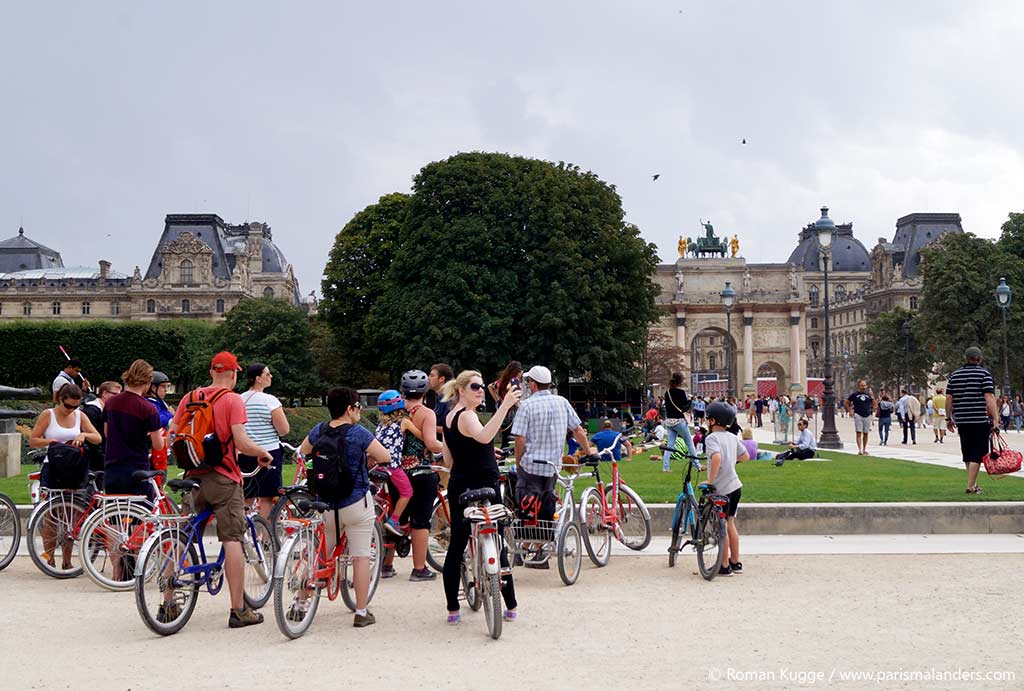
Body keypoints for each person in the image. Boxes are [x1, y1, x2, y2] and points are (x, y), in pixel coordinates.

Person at [170, 351, 274, 628]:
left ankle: (168, 599)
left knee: (184, 537)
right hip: (223, 476)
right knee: (233, 538)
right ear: (234, 373)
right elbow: (240, 441)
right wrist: (262, 453)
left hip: (192, 475)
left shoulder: (189, 398)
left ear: (211, 371)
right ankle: (238, 609)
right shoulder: (232, 400)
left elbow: (173, 432)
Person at [297, 386, 389, 627]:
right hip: (355, 501)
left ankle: (300, 602)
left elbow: (303, 451)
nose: (358, 411)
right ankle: (361, 611)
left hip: (326, 503)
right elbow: (385, 456)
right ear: (349, 409)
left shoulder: (319, 430)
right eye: (357, 407)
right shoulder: (359, 433)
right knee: (360, 556)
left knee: (322, 554)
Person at [441, 370, 521, 624]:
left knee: (457, 544)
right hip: (484, 481)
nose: (480, 390)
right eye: (474, 386)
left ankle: (453, 608)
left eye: (481, 386)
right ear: (461, 390)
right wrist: (506, 405)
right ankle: (510, 604)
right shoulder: (467, 415)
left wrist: (483, 449)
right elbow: (485, 434)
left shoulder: (450, 417)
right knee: (496, 537)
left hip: (459, 484)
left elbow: (449, 458)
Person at [512, 365, 592, 541]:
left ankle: (526, 542)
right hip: (553, 466)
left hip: (531, 465)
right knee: (547, 504)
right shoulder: (562, 402)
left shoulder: (527, 406)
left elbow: (520, 439)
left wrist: (518, 462)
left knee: (528, 505)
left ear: (533, 384)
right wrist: (588, 452)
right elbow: (578, 430)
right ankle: (543, 544)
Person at [29, 383, 102, 570]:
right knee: (52, 515)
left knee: (72, 516)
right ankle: (50, 558)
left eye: (75, 406)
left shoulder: (79, 416)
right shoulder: (48, 415)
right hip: (53, 466)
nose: (71, 410)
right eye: (68, 406)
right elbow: (33, 440)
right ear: (60, 400)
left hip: (73, 468)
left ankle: (67, 560)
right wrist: (52, 442)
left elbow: (98, 438)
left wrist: (84, 434)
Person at [399, 369, 444, 582]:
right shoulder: (426, 413)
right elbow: (431, 443)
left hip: (399, 472)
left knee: (396, 516)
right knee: (421, 521)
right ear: (425, 391)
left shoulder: (397, 411)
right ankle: (419, 568)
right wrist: (449, 448)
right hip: (421, 471)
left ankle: (387, 565)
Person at [103, 360, 165, 497]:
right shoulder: (148, 408)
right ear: (148, 382)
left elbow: (107, 432)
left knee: (116, 512)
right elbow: (158, 445)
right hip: (137, 466)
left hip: (112, 465)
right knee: (142, 512)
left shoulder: (111, 403)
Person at [237, 363, 290, 519]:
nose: (271, 376)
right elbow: (284, 430)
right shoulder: (270, 401)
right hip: (268, 452)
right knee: (267, 496)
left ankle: (243, 531)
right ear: (258, 379)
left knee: (246, 495)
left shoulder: (239, 399)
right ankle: (264, 537)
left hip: (244, 451)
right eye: (268, 374)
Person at [946, 346, 999, 494]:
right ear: (980, 358)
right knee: (979, 454)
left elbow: (949, 398)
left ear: (966, 358)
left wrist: (948, 418)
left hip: (962, 419)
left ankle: (973, 485)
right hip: (979, 419)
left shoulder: (954, 375)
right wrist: (995, 418)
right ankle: (970, 487)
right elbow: (989, 397)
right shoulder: (984, 375)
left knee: (968, 452)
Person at [704, 401, 748, 576]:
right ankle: (735, 561)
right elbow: (745, 456)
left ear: (713, 421)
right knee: (730, 523)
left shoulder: (711, 438)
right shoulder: (732, 436)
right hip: (735, 485)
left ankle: (723, 565)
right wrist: (730, 463)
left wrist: (710, 479)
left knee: (720, 526)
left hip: (721, 488)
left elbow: (716, 458)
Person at [373, 390, 415, 542]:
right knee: (407, 492)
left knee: (385, 494)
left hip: (378, 465)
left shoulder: (381, 425)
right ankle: (394, 520)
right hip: (393, 467)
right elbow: (421, 435)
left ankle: (378, 509)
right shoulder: (404, 422)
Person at [81, 381, 121, 474]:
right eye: (115, 394)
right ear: (105, 394)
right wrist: (104, 458)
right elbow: (92, 441)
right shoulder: (91, 411)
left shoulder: (108, 410)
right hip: (92, 461)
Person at [661, 372, 698, 473]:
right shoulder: (681, 392)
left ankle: (666, 467)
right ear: (680, 381)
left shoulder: (667, 392)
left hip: (669, 421)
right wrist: (690, 400)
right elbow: (684, 407)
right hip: (679, 420)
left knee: (670, 445)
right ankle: (697, 465)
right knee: (689, 443)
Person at [145, 371, 175, 487]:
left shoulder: (160, 403)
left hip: (161, 452)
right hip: (153, 453)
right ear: (153, 387)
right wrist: (171, 415)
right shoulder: (150, 404)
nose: (165, 390)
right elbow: (156, 420)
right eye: (162, 386)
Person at [488, 361, 523, 446]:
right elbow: (515, 397)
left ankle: (500, 453)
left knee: (501, 434)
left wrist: (498, 400)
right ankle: (503, 454)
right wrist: (520, 407)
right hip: (510, 411)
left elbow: (490, 386)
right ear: (518, 372)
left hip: (500, 409)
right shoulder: (514, 381)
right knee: (508, 436)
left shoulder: (502, 380)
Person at [845, 380, 875, 455]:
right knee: (859, 432)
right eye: (862, 385)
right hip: (858, 414)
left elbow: (874, 405)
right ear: (859, 386)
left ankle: (864, 449)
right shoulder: (854, 394)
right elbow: (846, 402)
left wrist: (872, 396)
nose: (864, 387)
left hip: (867, 415)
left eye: (865, 385)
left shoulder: (868, 394)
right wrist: (850, 410)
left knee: (866, 433)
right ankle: (860, 449)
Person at [427, 363, 455, 436]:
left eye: (432, 375)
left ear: (441, 379)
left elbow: (452, 429)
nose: (428, 378)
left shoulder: (450, 400)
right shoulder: (440, 399)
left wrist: (426, 427)